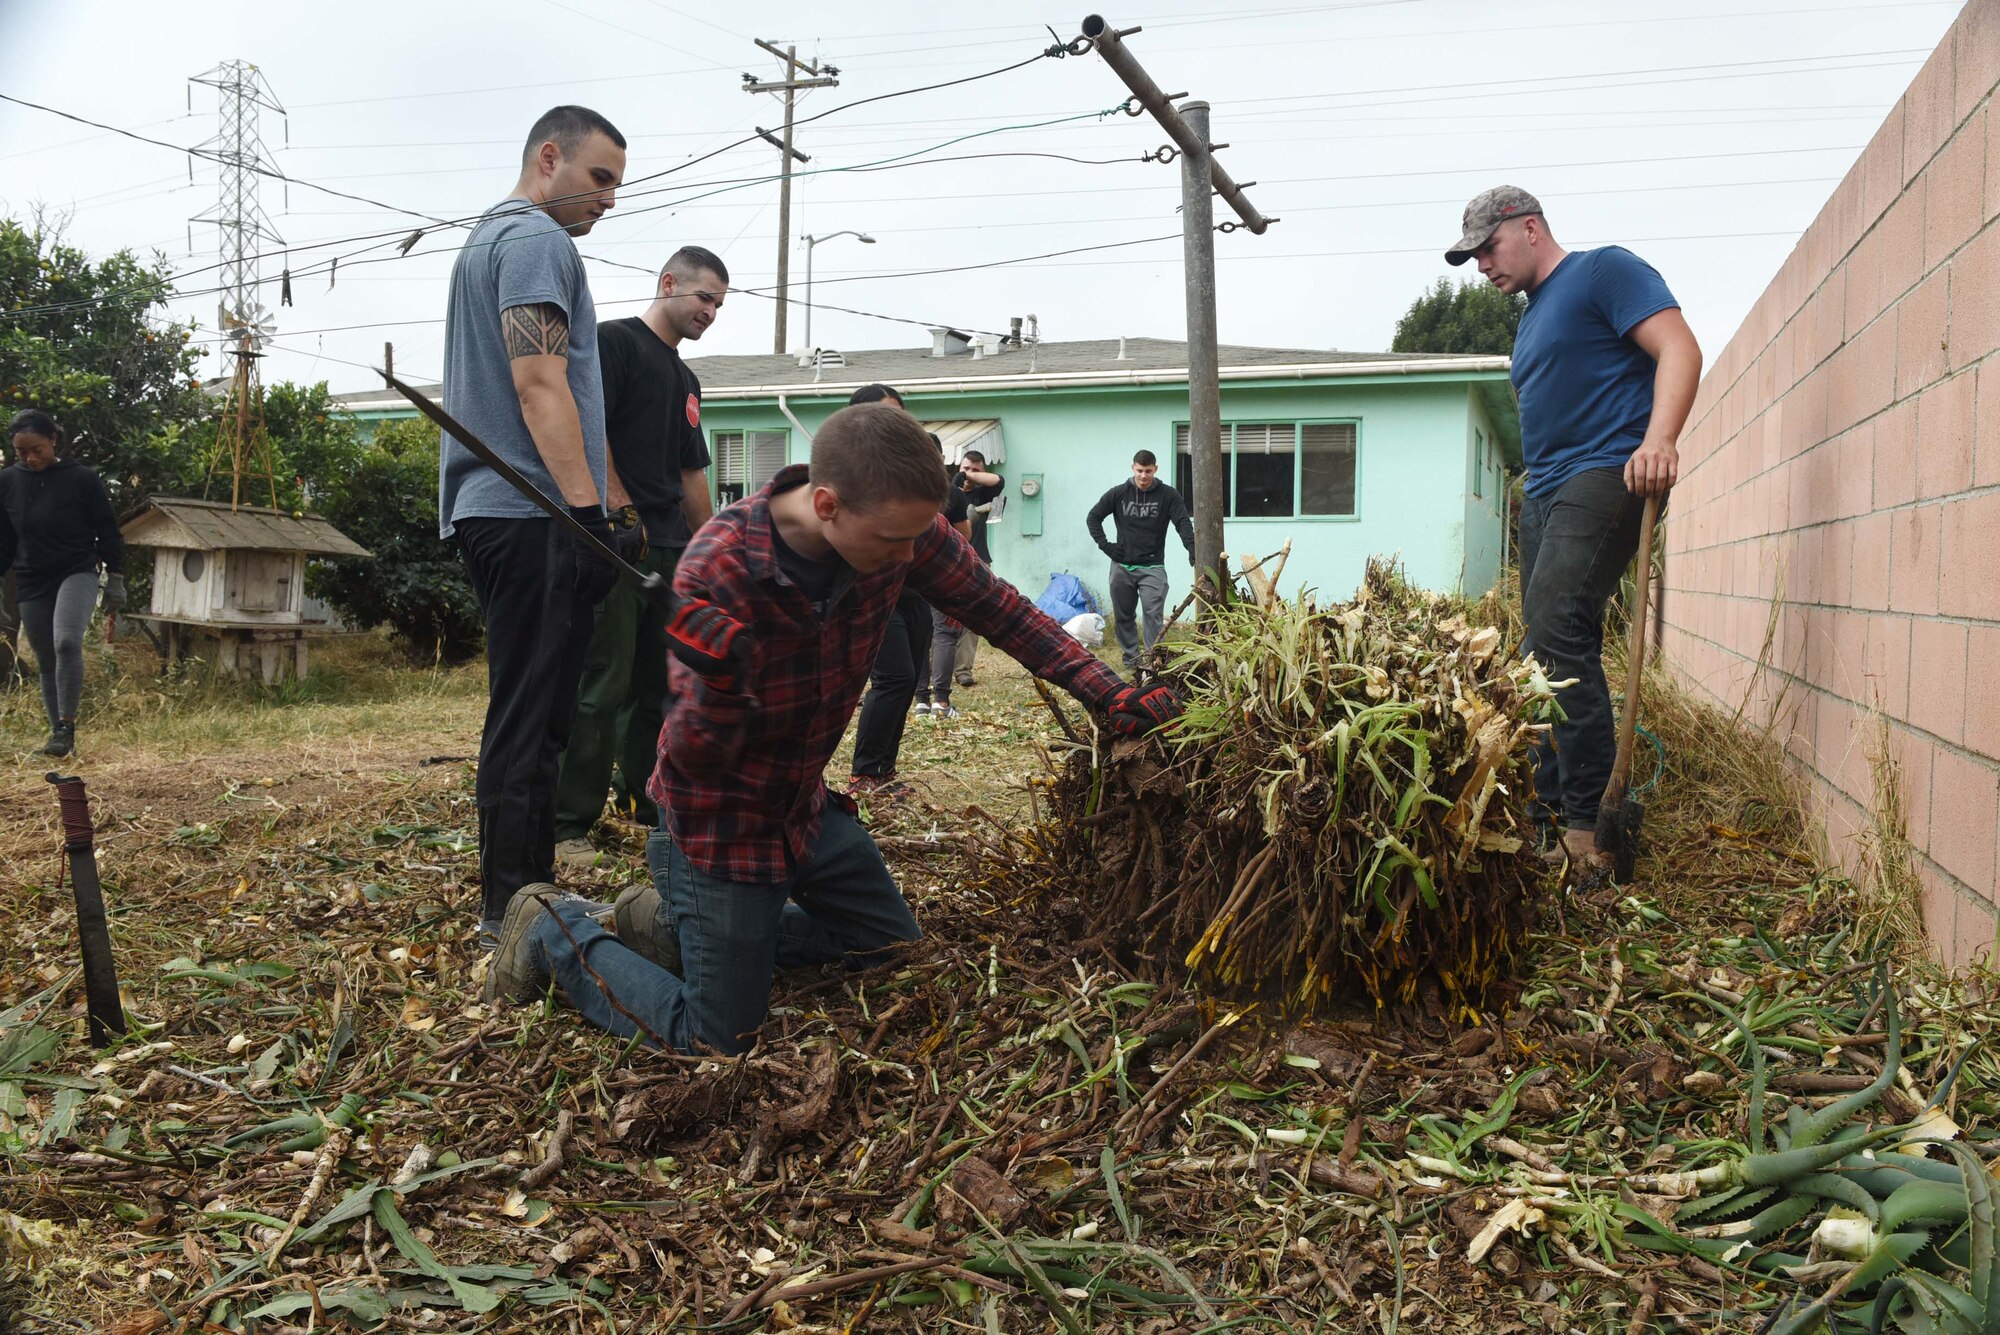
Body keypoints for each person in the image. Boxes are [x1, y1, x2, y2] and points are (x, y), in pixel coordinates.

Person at [483, 404, 1182, 1055]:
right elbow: (693, 763)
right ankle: (553, 929)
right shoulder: (720, 569)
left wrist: (1108, 693)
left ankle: (663, 924)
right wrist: (721, 693)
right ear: (827, 506)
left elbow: (995, 605)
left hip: (803, 806)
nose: (911, 557)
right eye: (894, 541)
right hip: (718, 824)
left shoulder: (896, 528)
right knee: (717, 1038)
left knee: (887, 947)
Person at [1444, 185, 1698, 872]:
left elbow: (1678, 347)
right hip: (1549, 489)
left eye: (1488, 249)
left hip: (1610, 469)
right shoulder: (1528, 323)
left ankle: (1590, 830)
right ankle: (1548, 816)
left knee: (1558, 629)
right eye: (1471, 257)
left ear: (1529, 228)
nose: (1482, 266)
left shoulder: (1601, 272)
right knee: (1537, 655)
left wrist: (1660, 439)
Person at [437, 105, 639, 942]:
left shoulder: (486, 240)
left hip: (504, 510)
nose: (608, 200)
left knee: (538, 702)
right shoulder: (533, 242)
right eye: (598, 179)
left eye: (617, 187)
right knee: (531, 709)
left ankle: (524, 891)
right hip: (530, 511)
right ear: (548, 158)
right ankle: (513, 907)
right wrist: (589, 512)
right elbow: (539, 384)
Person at [553, 245, 727, 867]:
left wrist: (714, 549)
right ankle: (568, 823)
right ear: (667, 282)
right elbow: (584, 426)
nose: (710, 311)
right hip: (618, 540)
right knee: (603, 683)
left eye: (718, 305)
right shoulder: (614, 343)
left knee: (659, 687)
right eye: (703, 297)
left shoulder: (684, 378)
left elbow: (690, 470)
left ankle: (642, 803)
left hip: (674, 546)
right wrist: (618, 511)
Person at [0, 409, 124, 758]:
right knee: (44, 658)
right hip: (31, 579)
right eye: (21, 452)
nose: (29, 457)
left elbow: (107, 527)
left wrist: (116, 576)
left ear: (52, 439)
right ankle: (59, 737)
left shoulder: (82, 478)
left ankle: (67, 724)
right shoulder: (7, 482)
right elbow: (4, 540)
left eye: (36, 449)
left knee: (67, 642)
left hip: (77, 570)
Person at [844, 384, 932, 795]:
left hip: (914, 596)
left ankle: (884, 771)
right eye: (884, 418)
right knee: (894, 678)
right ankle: (865, 773)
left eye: (901, 417)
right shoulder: (844, 482)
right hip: (873, 600)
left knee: (909, 678)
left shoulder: (911, 479)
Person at [1086, 449, 1194, 673]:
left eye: (1148, 471)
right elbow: (1093, 517)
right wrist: (1106, 546)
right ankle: (1132, 662)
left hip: (1152, 567)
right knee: (1124, 615)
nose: (1143, 476)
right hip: (1122, 566)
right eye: (1139, 471)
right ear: (1132, 468)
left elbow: (1182, 522)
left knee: (1152, 615)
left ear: (1155, 469)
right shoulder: (1118, 493)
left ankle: (1153, 660)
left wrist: (1192, 549)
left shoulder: (1168, 495)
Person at [919, 437, 976, 721]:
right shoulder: (951, 493)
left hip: (909, 572)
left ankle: (920, 700)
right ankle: (941, 701)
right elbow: (964, 535)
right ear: (940, 457)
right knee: (944, 634)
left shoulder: (899, 490)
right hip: (941, 572)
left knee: (920, 633)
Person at [948, 448, 1003, 688]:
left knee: (973, 617)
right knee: (940, 621)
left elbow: (998, 480)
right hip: (947, 560)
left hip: (978, 560)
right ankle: (933, 671)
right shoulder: (946, 493)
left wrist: (970, 478)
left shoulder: (983, 493)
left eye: (975, 470)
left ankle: (963, 671)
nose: (969, 474)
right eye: (965, 469)